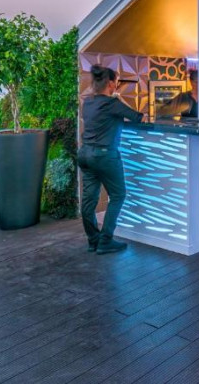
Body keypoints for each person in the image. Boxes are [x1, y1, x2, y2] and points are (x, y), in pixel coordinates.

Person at [78, 65, 143, 254]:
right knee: (118, 195)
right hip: (104, 155)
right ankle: (105, 240)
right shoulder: (112, 103)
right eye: (116, 81)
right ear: (111, 83)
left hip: (85, 154)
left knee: (89, 201)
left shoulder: (87, 102)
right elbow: (137, 117)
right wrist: (119, 97)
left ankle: (93, 240)